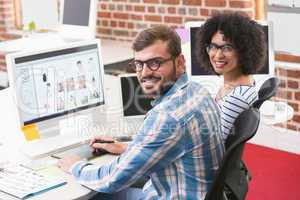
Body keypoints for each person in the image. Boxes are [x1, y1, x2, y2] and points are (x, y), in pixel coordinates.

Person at [58, 25, 224, 199]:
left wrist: (75, 166)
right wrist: (126, 148)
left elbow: (111, 179)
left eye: (155, 63)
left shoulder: (168, 116)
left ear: (180, 62)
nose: (144, 73)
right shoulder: (198, 91)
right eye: (139, 64)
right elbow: (170, 144)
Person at [195, 12, 267, 139]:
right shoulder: (240, 83)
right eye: (213, 47)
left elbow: (214, 144)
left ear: (245, 51)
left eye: (227, 48)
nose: (217, 56)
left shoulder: (235, 99)